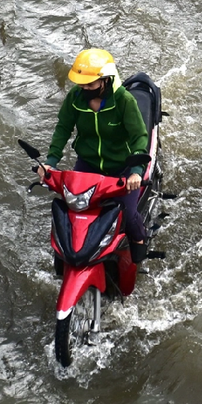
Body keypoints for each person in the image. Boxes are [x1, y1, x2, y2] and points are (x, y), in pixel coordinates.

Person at [38, 48, 150, 263]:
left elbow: (139, 136)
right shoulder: (75, 98)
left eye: (90, 84)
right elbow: (63, 128)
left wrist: (136, 171)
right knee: (72, 207)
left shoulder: (124, 101)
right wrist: (50, 162)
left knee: (128, 212)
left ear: (105, 80)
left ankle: (139, 240)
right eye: (82, 84)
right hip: (88, 164)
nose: (84, 88)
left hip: (121, 167)